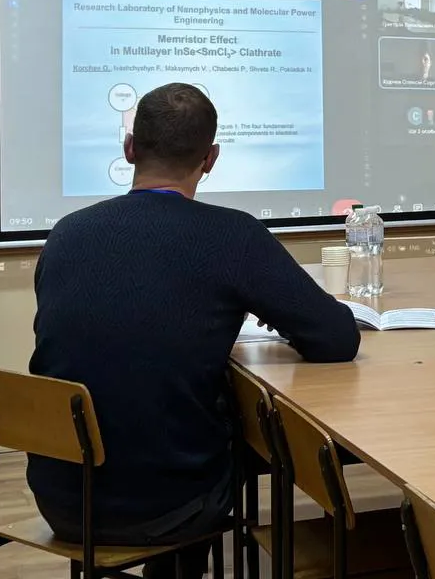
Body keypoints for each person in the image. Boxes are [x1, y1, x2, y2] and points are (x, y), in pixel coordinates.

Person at [28, 83, 359, 579]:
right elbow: (337, 339)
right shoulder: (232, 235)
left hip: (62, 498)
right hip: (176, 503)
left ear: (130, 148)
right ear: (211, 159)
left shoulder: (66, 234)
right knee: (240, 426)